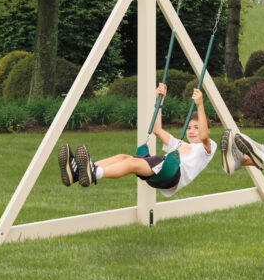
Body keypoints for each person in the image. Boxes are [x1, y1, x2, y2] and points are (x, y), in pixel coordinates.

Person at [58, 84, 216, 197]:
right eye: (189, 128)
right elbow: (157, 130)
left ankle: (94, 173)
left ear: (207, 129)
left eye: (196, 127)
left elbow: (203, 137)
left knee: (131, 163)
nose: (192, 131)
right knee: (122, 157)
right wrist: (159, 102)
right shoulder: (180, 144)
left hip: (171, 172)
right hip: (162, 170)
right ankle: (77, 173)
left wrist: (200, 105)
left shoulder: (207, 148)